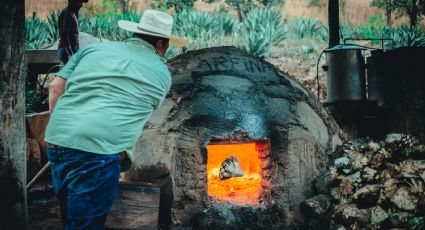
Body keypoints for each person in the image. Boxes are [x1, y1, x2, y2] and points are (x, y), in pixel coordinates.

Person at [45, 10, 187, 229]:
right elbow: (133, 113)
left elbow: (55, 88)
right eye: (166, 46)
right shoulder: (161, 73)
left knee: (70, 217)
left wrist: (65, 133)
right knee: (85, 224)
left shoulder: (92, 50)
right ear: (160, 44)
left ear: (136, 34)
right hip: (98, 152)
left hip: (57, 141)